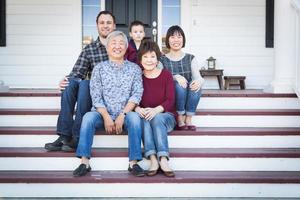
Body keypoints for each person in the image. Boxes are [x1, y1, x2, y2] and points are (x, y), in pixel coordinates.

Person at [73, 31, 145, 177]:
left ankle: (134, 163)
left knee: (135, 119)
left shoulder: (135, 69)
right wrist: (106, 116)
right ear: (107, 47)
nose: (117, 46)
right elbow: (95, 94)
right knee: (87, 117)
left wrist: (122, 115)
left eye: (121, 43)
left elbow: (137, 94)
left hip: (125, 113)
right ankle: (84, 162)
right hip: (101, 113)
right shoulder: (99, 68)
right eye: (114, 43)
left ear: (126, 48)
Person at [45, 11, 116, 152]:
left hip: (109, 94)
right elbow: (78, 72)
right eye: (102, 23)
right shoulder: (90, 49)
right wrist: (66, 79)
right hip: (91, 92)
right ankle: (64, 136)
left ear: (114, 25)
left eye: (108, 22)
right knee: (71, 83)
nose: (105, 26)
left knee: (85, 84)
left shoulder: (120, 45)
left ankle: (77, 136)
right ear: (97, 26)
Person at [135, 40, 176, 177]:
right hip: (146, 116)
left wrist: (155, 110)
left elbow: (170, 100)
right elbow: (133, 99)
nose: (149, 60)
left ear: (157, 58)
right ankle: (152, 158)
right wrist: (137, 109)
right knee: (145, 120)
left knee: (156, 117)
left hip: (166, 117)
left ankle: (163, 158)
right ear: (140, 59)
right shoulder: (138, 77)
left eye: (152, 56)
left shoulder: (166, 75)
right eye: (145, 57)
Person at [160, 25, 204, 131]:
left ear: (183, 39)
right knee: (179, 86)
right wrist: (175, 77)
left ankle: (188, 118)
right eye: (172, 37)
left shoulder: (190, 58)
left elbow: (198, 77)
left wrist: (200, 81)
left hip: (189, 93)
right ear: (168, 40)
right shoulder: (162, 60)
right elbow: (160, 77)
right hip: (173, 94)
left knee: (196, 84)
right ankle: (180, 117)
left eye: (179, 37)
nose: (176, 40)